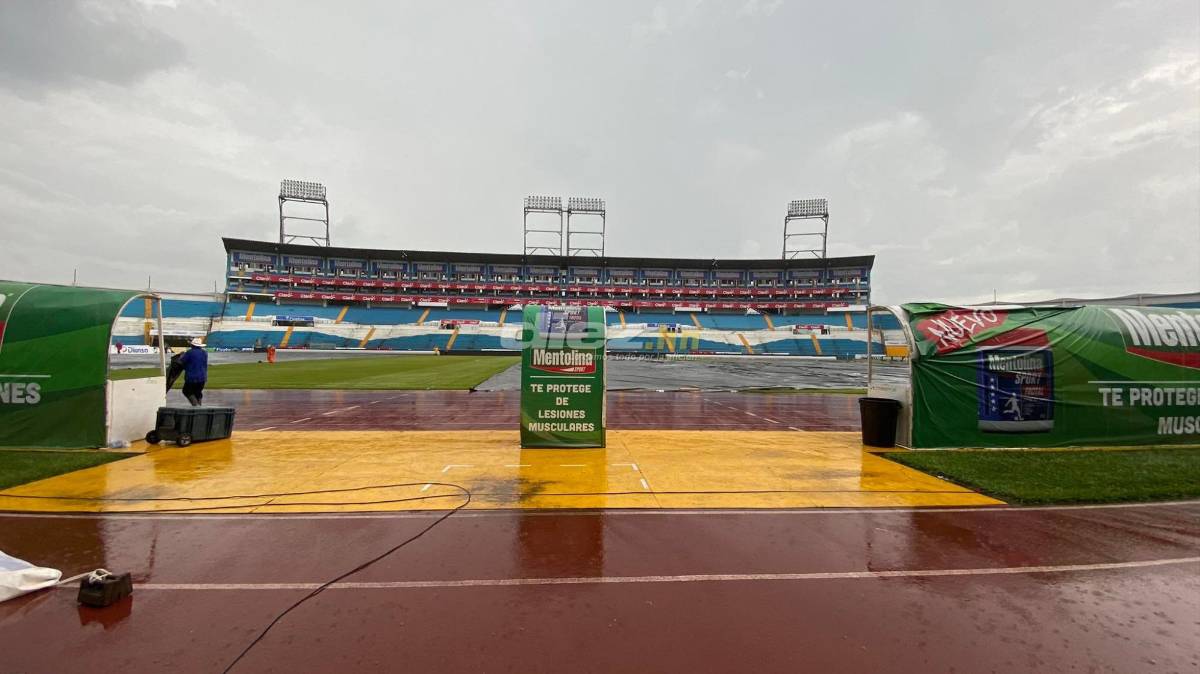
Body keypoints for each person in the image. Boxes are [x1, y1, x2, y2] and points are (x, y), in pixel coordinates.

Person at [179, 337, 208, 406]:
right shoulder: (204, 353)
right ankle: (199, 406)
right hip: (202, 377)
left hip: (192, 377)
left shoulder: (189, 353)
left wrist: (182, 355)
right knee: (198, 392)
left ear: (192, 345)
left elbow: (181, 361)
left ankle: (195, 405)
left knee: (186, 391)